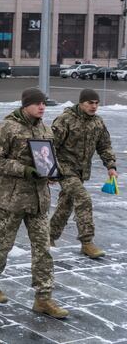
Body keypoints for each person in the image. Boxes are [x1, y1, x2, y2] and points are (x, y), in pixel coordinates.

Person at [0, 88, 68, 319]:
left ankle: (43, 297)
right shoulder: (6, 127)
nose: (42, 107)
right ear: (25, 105)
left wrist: (52, 172)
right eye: (38, 104)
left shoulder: (44, 128)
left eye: (44, 104)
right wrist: (24, 170)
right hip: (12, 199)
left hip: (39, 200)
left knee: (43, 249)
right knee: (3, 244)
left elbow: (49, 158)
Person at [49, 89, 118, 259]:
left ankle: (48, 236)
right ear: (81, 103)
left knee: (66, 204)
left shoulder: (98, 123)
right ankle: (87, 242)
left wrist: (111, 166)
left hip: (81, 171)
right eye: (90, 103)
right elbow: (50, 146)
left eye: (96, 103)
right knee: (84, 199)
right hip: (65, 169)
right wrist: (50, 171)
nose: (94, 106)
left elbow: (104, 146)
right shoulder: (65, 120)